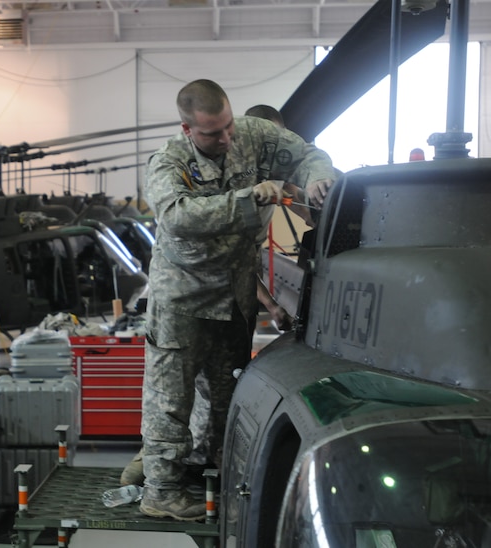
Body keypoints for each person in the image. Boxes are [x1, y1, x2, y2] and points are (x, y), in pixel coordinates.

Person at [136, 79, 336, 521]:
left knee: (227, 394)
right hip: (182, 296)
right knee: (171, 397)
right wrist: (249, 198)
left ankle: (215, 475)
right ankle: (162, 489)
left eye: (227, 126)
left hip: (234, 294)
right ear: (187, 128)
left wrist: (319, 178)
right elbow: (178, 216)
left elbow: (305, 153)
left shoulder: (253, 134)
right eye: (212, 133)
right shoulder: (170, 162)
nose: (225, 138)